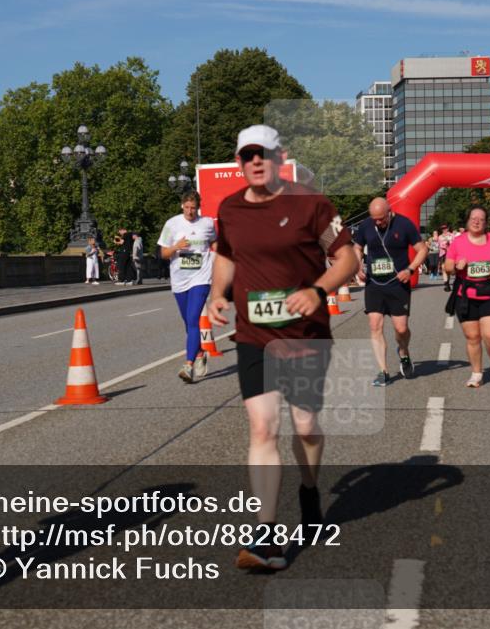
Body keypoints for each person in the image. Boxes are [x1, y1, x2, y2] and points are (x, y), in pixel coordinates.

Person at [207, 125, 356, 571]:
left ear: (280, 157)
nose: (255, 161)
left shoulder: (310, 203)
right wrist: (218, 293)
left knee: (306, 425)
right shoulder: (230, 208)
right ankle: (267, 534)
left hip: (305, 334)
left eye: (263, 153)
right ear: (239, 160)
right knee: (263, 427)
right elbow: (227, 255)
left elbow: (348, 258)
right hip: (255, 336)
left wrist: (317, 289)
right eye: (247, 155)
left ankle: (309, 490)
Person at [352, 197, 427, 386]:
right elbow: (357, 247)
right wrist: (357, 265)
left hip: (397, 284)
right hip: (374, 284)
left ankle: (403, 352)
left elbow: (422, 249)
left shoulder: (404, 224)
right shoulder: (366, 226)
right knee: (374, 326)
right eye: (374, 219)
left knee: (401, 329)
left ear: (389, 212)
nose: (377, 222)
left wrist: (410, 270)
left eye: (381, 218)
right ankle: (383, 371)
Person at [444, 206, 490, 388]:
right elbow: (447, 266)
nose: (476, 221)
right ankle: (476, 373)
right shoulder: (458, 242)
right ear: (467, 221)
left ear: (486, 223)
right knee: (473, 337)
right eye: (473, 218)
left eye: (481, 219)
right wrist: (457, 266)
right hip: (465, 295)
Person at [159, 191, 215, 383]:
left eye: (194, 208)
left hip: (201, 278)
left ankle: (188, 364)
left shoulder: (207, 223)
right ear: (182, 205)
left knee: (193, 319)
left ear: (198, 207)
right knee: (187, 321)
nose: (191, 211)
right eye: (187, 207)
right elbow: (164, 254)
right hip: (179, 280)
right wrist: (176, 246)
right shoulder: (171, 224)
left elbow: (214, 243)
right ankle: (199, 353)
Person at [439, 225, 454, 291]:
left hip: (451, 254)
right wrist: (445, 244)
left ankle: (447, 281)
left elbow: (455, 243)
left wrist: (449, 242)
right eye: (442, 229)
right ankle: (446, 284)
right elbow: (440, 245)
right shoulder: (440, 237)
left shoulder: (452, 235)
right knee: (443, 268)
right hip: (443, 254)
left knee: (449, 270)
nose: (444, 230)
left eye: (445, 228)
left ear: (448, 228)